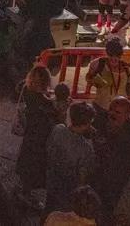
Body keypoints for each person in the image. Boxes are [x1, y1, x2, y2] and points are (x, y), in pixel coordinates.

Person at [89, 96, 130, 225]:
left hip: (113, 184)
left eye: (117, 112)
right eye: (111, 109)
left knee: (105, 211)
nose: (112, 114)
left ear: (127, 115)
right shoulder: (99, 120)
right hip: (94, 175)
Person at [15, 66, 59, 211]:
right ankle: (27, 195)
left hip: (29, 134)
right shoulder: (44, 102)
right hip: (40, 139)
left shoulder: (26, 90)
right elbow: (55, 117)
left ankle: (23, 188)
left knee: (26, 160)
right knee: (35, 166)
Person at [45, 102, 96, 215]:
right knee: (62, 213)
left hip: (52, 179)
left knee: (49, 207)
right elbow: (82, 178)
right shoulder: (86, 149)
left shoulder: (58, 129)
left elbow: (48, 149)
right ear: (85, 124)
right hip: (68, 189)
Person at [85, 37, 130, 111]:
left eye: (117, 56)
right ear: (107, 53)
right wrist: (96, 81)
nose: (114, 59)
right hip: (100, 108)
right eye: (111, 55)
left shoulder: (128, 68)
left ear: (121, 55)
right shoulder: (98, 63)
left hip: (120, 111)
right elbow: (88, 78)